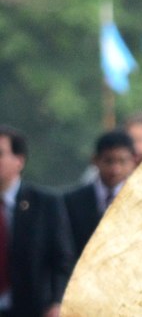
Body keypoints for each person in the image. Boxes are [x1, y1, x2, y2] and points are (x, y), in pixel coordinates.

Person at [0, 125, 74, 317]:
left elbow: (62, 259)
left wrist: (57, 301)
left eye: (0, 154)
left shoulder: (45, 203)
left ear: (19, 160)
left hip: (31, 308)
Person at [63, 130, 136, 258]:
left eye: (122, 161)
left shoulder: (141, 202)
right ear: (95, 160)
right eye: (109, 161)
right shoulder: (71, 202)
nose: (115, 169)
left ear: (133, 161)